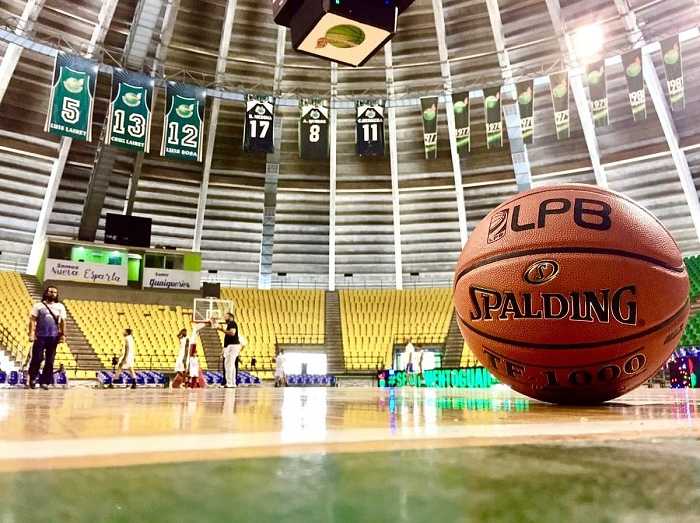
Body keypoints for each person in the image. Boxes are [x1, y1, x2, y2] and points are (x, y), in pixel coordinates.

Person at [27, 286, 66, 389]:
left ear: (57, 295)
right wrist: (31, 333)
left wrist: (62, 335)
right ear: (46, 293)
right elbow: (32, 320)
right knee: (37, 358)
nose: (52, 293)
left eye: (54, 292)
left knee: (50, 361)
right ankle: (33, 378)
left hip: (53, 338)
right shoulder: (38, 306)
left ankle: (45, 382)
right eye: (50, 291)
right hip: (40, 337)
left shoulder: (60, 306)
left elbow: (62, 322)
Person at [218, 313, 243, 388]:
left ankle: (229, 383)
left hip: (233, 346)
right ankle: (232, 382)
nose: (224, 318)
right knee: (230, 365)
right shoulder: (230, 324)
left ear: (230, 317)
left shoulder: (232, 323)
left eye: (225, 316)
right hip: (231, 346)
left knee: (229, 364)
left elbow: (232, 333)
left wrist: (222, 330)